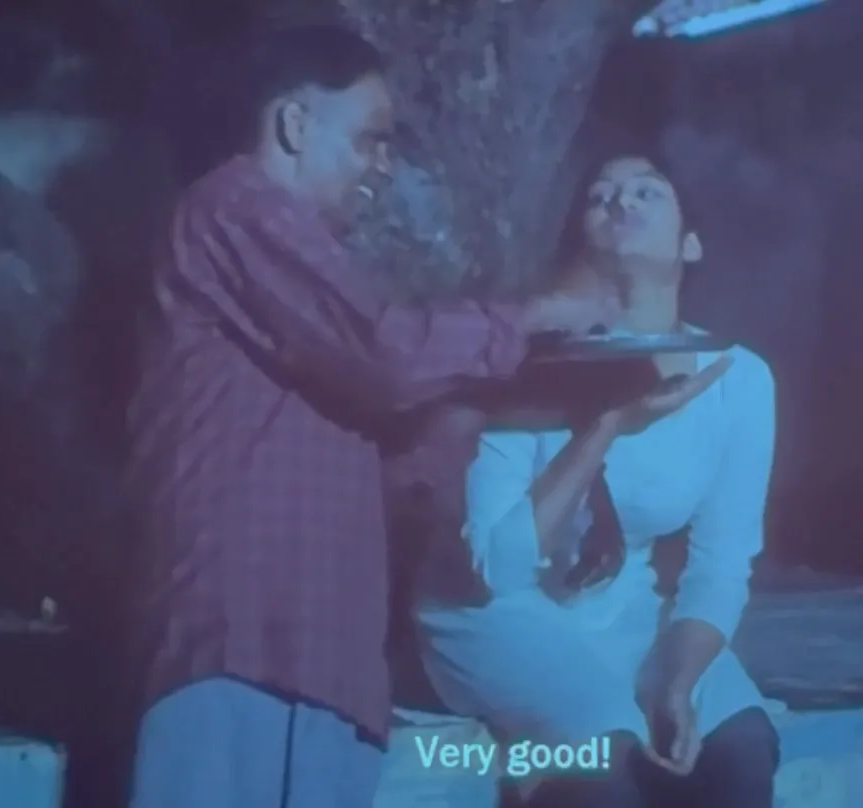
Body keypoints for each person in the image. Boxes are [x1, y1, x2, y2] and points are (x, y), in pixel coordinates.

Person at [123, 24, 612, 808]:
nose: (382, 168)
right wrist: (535, 315)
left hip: (324, 657)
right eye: (370, 140)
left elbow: (387, 431)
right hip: (237, 640)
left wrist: (570, 416)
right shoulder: (236, 207)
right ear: (294, 125)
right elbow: (382, 353)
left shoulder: (305, 266)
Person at [414, 154, 782, 807]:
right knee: (602, 764)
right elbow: (498, 570)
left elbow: (722, 563)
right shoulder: (524, 366)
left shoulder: (737, 378)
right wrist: (606, 425)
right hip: (487, 609)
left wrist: (678, 678)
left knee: (742, 747)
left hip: (619, 606)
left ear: (690, 243)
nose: (622, 202)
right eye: (600, 195)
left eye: (648, 191)